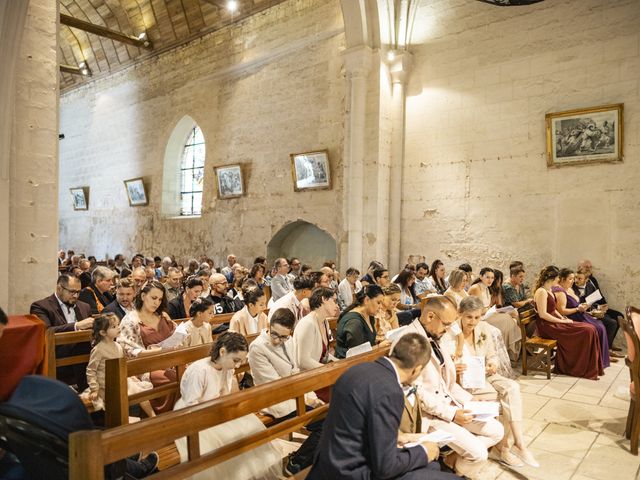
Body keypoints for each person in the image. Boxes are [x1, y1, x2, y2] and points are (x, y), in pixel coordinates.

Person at [308, 332, 460, 480]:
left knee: (433, 467)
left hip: (328, 461)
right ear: (417, 369)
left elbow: (357, 423)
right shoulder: (391, 391)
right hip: (352, 471)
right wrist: (424, 451)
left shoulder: (356, 370)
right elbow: (385, 468)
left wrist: (402, 436)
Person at [407, 296, 504, 479]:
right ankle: (460, 473)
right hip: (430, 415)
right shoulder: (410, 342)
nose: (449, 329)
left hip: (449, 403)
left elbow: (447, 383)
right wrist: (452, 415)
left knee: (497, 430)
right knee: (479, 454)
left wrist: (471, 401)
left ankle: (453, 461)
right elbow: (415, 392)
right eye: (446, 324)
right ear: (430, 316)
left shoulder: (436, 334)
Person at [441, 297, 539, 468]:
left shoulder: (484, 328)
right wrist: (455, 366)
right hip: (465, 382)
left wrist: (492, 364)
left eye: (477, 317)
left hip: (485, 375)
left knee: (512, 388)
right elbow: (445, 363)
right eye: (469, 317)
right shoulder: (450, 333)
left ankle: (519, 443)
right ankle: (503, 449)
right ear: (460, 314)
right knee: (500, 398)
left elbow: (492, 355)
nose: (473, 322)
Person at [174, 333, 282, 480]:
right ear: (222, 352)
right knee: (225, 441)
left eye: (241, 361)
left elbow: (225, 394)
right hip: (193, 416)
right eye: (236, 360)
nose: (238, 366)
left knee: (249, 432)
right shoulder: (199, 371)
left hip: (216, 408)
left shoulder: (227, 367)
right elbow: (191, 405)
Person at [247, 308, 324, 475]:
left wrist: (310, 396)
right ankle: (296, 463)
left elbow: (294, 371)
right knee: (324, 423)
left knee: (329, 415)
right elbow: (273, 384)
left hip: (292, 394)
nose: (277, 340)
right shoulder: (257, 348)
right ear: (269, 325)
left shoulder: (288, 341)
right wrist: (304, 398)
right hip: (274, 400)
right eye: (275, 334)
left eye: (284, 336)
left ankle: (308, 460)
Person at [81, 313, 155, 420]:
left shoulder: (118, 346)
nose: (118, 328)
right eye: (114, 327)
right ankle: (125, 420)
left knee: (139, 391)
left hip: (120, 379)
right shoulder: (98, 349)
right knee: (120, 397)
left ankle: (152, 416)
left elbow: (122, 364)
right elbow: (91, 370)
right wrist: (94, 389)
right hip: (106, 384)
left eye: (118, 325)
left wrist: (131, 376)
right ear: (102, 332)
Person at [533, 266, 602, 380]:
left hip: (554, 322)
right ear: (553, 278)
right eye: (558, 277)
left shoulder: (549, 290)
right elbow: (543, 314)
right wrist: (561, 321)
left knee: (590, 328)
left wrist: (563, 318)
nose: (559, 280)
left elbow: (553, 309)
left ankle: (585, 367)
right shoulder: (541, 291)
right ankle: (574, 367)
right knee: (587, 331)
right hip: (547, 326)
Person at [117, 280, 177, 411]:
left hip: (170, 360)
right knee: (175, 379)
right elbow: (128, 350)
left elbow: (175, 335)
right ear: (143, 296)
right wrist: (159, 351)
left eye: (160, 299)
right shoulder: (130, 320)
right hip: (146, 366)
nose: (157, 303)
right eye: (154, 298)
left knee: (192, 373)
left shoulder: (162, 316)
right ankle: (167, 418)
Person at [30, 275, 94, 389]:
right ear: (59, 288)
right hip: (57, 357)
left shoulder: (84, 306)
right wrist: (76, 325)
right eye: (72, 292)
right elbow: (47, 331)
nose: (76, 296)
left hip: (85, 359)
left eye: (78, 292)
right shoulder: (41, 306)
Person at [553, 268, 611, 367]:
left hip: (580, 314)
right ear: (562, 279)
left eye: (573, 278)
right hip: (572, 317)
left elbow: (577, 303)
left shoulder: (569, 289)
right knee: (596, 328)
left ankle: (599, 360)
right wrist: (577, 309)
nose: (573, 281)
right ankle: (592, 361)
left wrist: (585, 306)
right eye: (571, 279)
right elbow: (562, 311)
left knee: (601, 326)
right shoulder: (559, 291)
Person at [293, 287, 340, 402]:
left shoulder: (324, 322)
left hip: (320, 375)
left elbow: (325, 355)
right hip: (308, 380)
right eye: (334, 301)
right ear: (323, 299)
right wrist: (329, 369)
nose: (337, 306)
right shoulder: (307, 324)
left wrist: (340, 364)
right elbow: (302, 361)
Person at [468, 267, 521, 362]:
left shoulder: (487, 288)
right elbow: (477, 309)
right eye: (487, 277)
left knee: (508, 317)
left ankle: (510, 349)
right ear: (480, 276)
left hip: (487, 315)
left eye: (492, 278)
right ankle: (509, 349)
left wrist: (489, 309)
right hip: (478, 318)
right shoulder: (476, 288)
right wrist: (489, 309)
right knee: (506, 319)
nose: (490, 280)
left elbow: (488, 306)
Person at [572, 266, 622, 353]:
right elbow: (574, 304)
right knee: (612, 323)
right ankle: (606, 350)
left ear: (586, 280)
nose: (576, 280)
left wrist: (600, 307)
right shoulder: (572, 287)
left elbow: (593, 301)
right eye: (576, 277)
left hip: (592, 311)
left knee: (617, 318)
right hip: (581, 313)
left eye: (580, 278)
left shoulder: (590, 286)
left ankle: (607, 347)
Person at [335, 285, 384, 358]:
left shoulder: (369, 315)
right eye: (378, 302)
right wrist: (379, 346)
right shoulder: (354, 322)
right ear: (367, 300)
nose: (381, 307)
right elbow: (356, 354)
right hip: (346, 363)